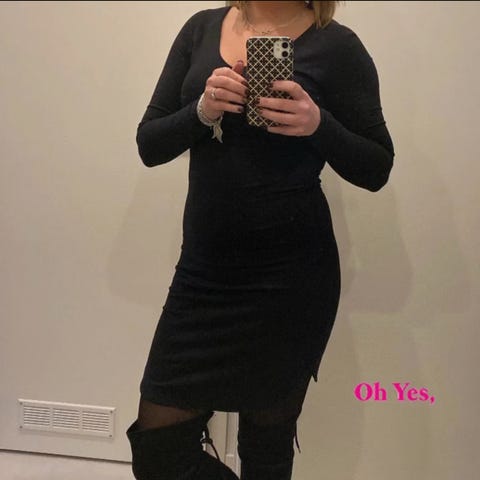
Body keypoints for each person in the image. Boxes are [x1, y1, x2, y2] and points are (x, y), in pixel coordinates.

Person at [126, 1, 394, 479]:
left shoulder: (338, 46)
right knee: (159, 453)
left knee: (266, 448)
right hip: (202, 277)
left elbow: (377, 167)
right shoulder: (201, 29)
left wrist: (318, 125)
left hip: (290, 281)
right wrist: (202, 110)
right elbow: (150, 144)